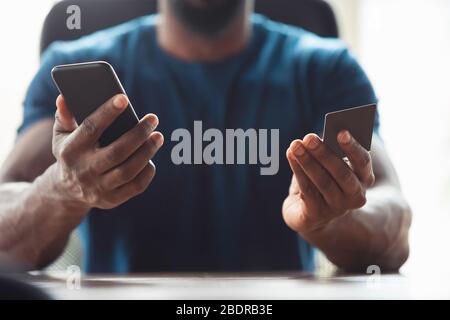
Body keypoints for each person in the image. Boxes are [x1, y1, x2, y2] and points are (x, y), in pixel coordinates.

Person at [0, 0, 411, 273]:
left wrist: (331, 222)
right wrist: (62, 189)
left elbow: (394, 223)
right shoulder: (73, 66)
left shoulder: (326, 70)